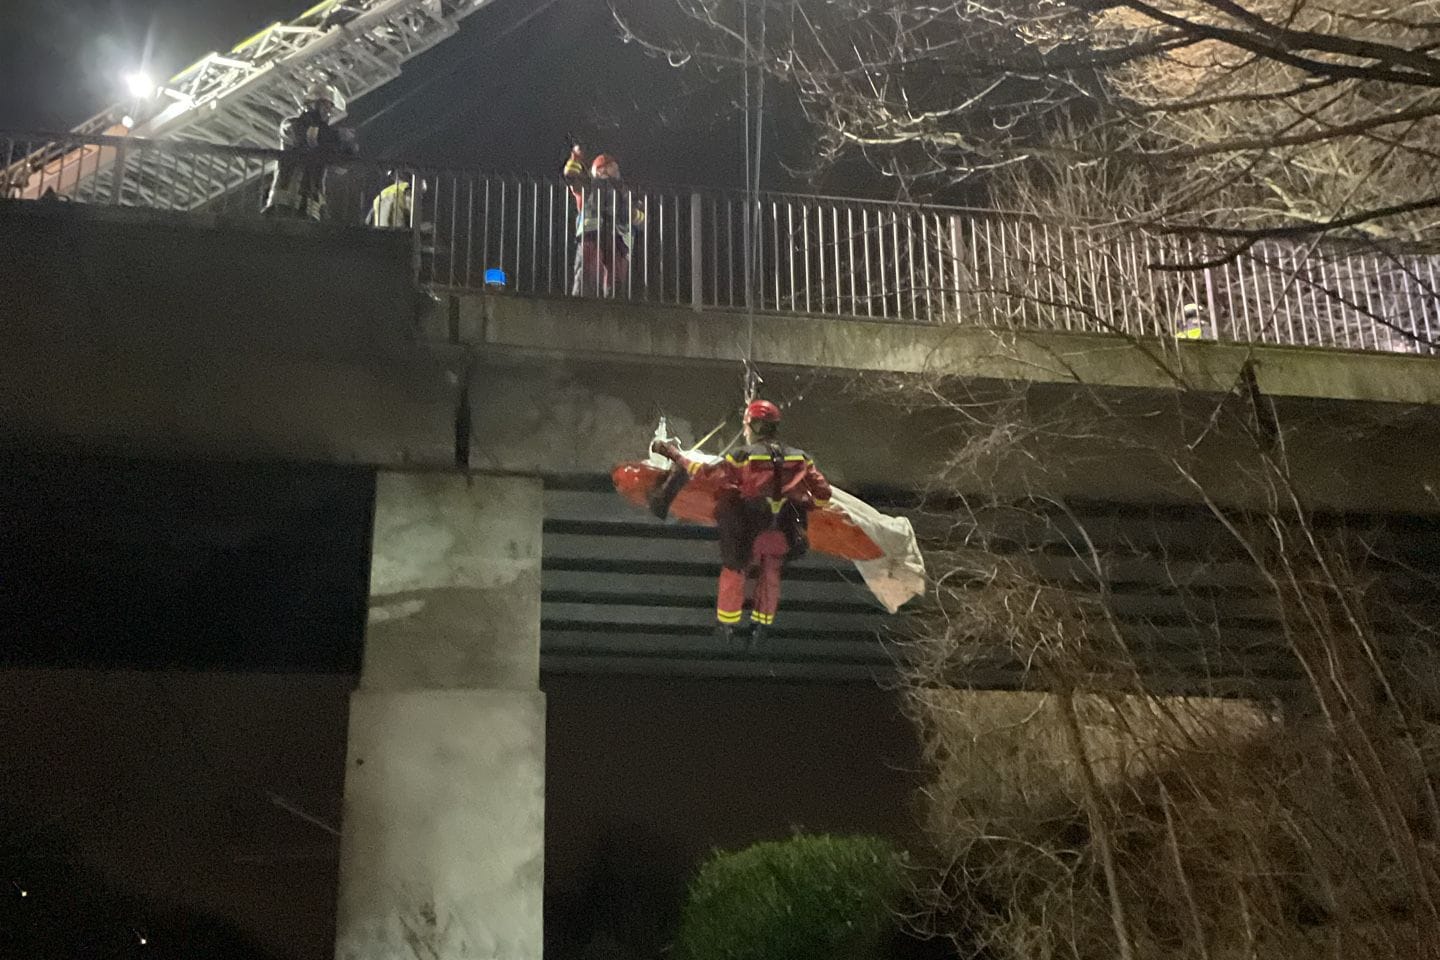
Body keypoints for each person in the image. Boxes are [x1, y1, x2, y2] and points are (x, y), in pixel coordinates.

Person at [651, 399, 832, 648]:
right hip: (784, 534)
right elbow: (823, 493)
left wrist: (673, 454)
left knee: (734, 573)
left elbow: (707, 473)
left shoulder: (743, 457)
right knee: (771, 575)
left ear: (754, 427)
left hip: (749, 531)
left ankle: (726, 627)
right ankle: (760, 630)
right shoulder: (801, 458)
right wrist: (809, 506)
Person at [263, 82, 357, 220]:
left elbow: (340, 167)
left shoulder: (326, 138)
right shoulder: (290, 125)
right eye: (325, 106)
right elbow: (310, 136)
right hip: (283, 208)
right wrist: (338, 136)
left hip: (311, 212)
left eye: (330, 108)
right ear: (311, 104)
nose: (328, 112)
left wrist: (348, 150)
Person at [563, 146, 644, 297]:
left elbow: (642, 219)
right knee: (587, 270)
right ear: (598, 170)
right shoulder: (587, 186)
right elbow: (570, 175)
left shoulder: (626, 192)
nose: (611, 171)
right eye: (607, 168)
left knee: (616, 275)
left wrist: (632, 214)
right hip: (593, 234)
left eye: (612, 167)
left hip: (618, 237)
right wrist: (575, 158)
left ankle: (614, 304)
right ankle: (581, 303)